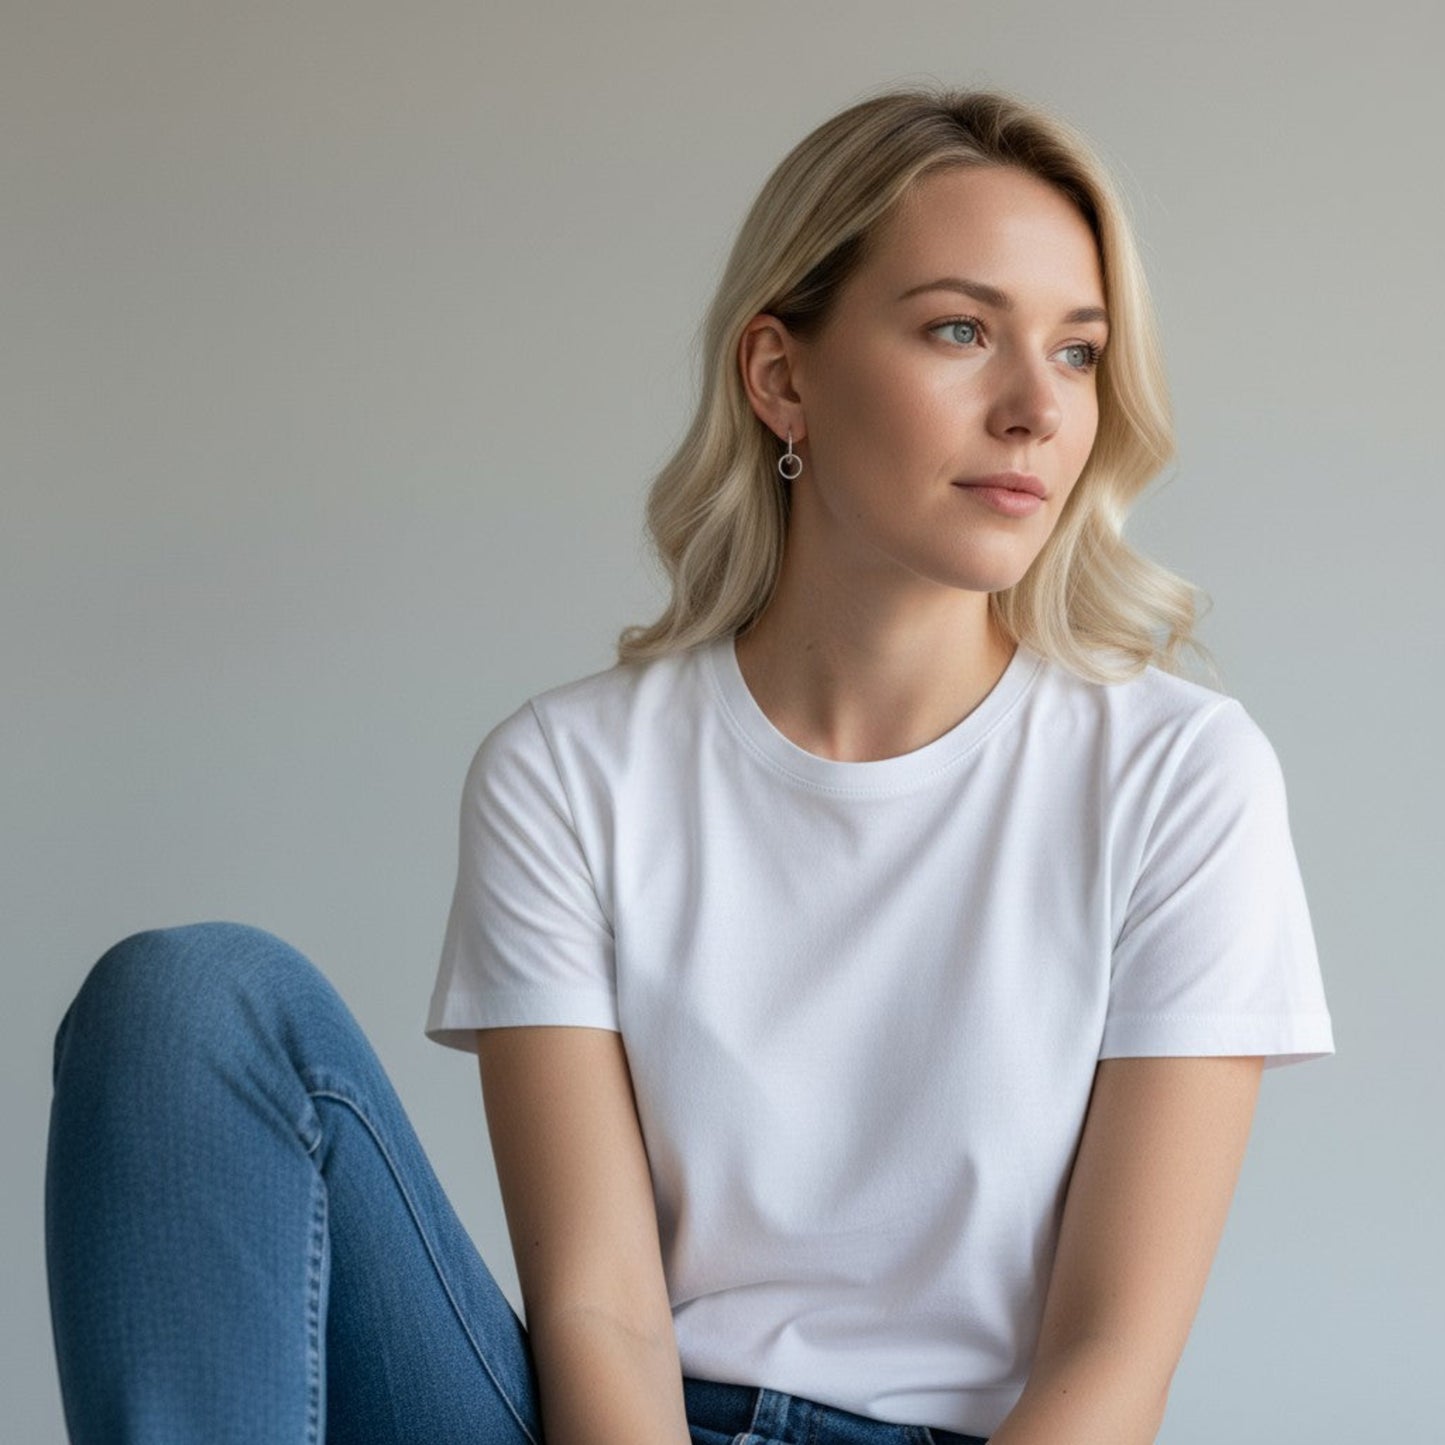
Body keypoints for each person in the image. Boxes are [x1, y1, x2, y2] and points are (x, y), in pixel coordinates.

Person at [44, 84, 1336, 1445]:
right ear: (781, 374)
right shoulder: (569, 772)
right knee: (192, 1001)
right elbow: (600, 1305)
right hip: (627, 1424)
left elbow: (1109, 1358)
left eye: (1077, 353)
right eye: (960, 329)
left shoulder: (1177, 775)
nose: (1034, 410)